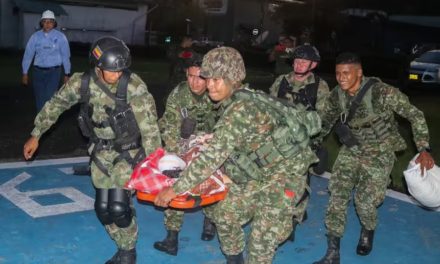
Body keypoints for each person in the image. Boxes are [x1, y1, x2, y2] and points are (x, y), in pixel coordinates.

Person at [154, 47, 321, 264]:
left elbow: (212, 157)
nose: (210, 86)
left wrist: (174, 190)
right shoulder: (244, 97)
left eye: (217, 80)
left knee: (259, 248)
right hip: (260, 175)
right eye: (208, 79)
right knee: (223, 212)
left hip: (283, 180)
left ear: (233, 79)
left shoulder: (240, 109)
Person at [23, 36, 161, 264]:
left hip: (128, 151)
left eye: (120, 70)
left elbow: (149, 127)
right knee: (103, 209)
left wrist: (154, 164)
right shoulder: (82, 83)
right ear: (98, 67)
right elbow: (56, 104)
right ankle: (122, 245)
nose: (117, 75)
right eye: (111, 71)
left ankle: (128, 252)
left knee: (119, 207)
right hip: (100, 151)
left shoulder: (133, 86)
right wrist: (36, 134)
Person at [313, 52, 435, 264]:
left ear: (359, 72)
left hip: (380, 151)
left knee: (365, 202)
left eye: (346, 73)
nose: (341, 77)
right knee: (337, 196)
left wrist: (424, 148)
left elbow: (414, 115)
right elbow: (326, 122)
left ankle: (368, 230)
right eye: (338, 73)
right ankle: (332, 253)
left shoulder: (381, 92)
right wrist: (314, 144)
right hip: (352, 149)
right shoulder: (337, 96)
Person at [153, 53, 218, 256]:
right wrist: (179, 155)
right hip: (183, 145)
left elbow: (227, 126)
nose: (194, 82)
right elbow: (170, 127)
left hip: (213, 145)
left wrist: (209, 144)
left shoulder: (218, 93)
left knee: (212, 183)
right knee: (174, 184)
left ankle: (210, 222)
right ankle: (172, 238)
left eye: (200, 77)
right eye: (190, 76)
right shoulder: (179, 94)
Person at [269, 44, 330, 241]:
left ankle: (294, 220)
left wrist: (312, 140)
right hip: (279, 141)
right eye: (296, 60)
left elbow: (321, 118)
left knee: (300, 184)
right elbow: (269, 106)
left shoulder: (319, 86)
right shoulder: (281, 81)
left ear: (313, 64)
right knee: (276, 181)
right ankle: (278, 212)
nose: (299, 64)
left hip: (303, 143)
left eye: (304, 61)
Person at [22, 10, 71, 112]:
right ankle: (41, 123)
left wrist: (67, 74)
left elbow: (65, 56)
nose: (48, 24)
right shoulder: (35, 37)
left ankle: (47, 122)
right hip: (38, 72)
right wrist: (25, 73)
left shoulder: (61, 37)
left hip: (54, 72)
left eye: (50, 21)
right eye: (45, 21)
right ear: (41, 23)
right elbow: (28, 55)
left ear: (54, 23)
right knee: (39, 98)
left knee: (49, 98)